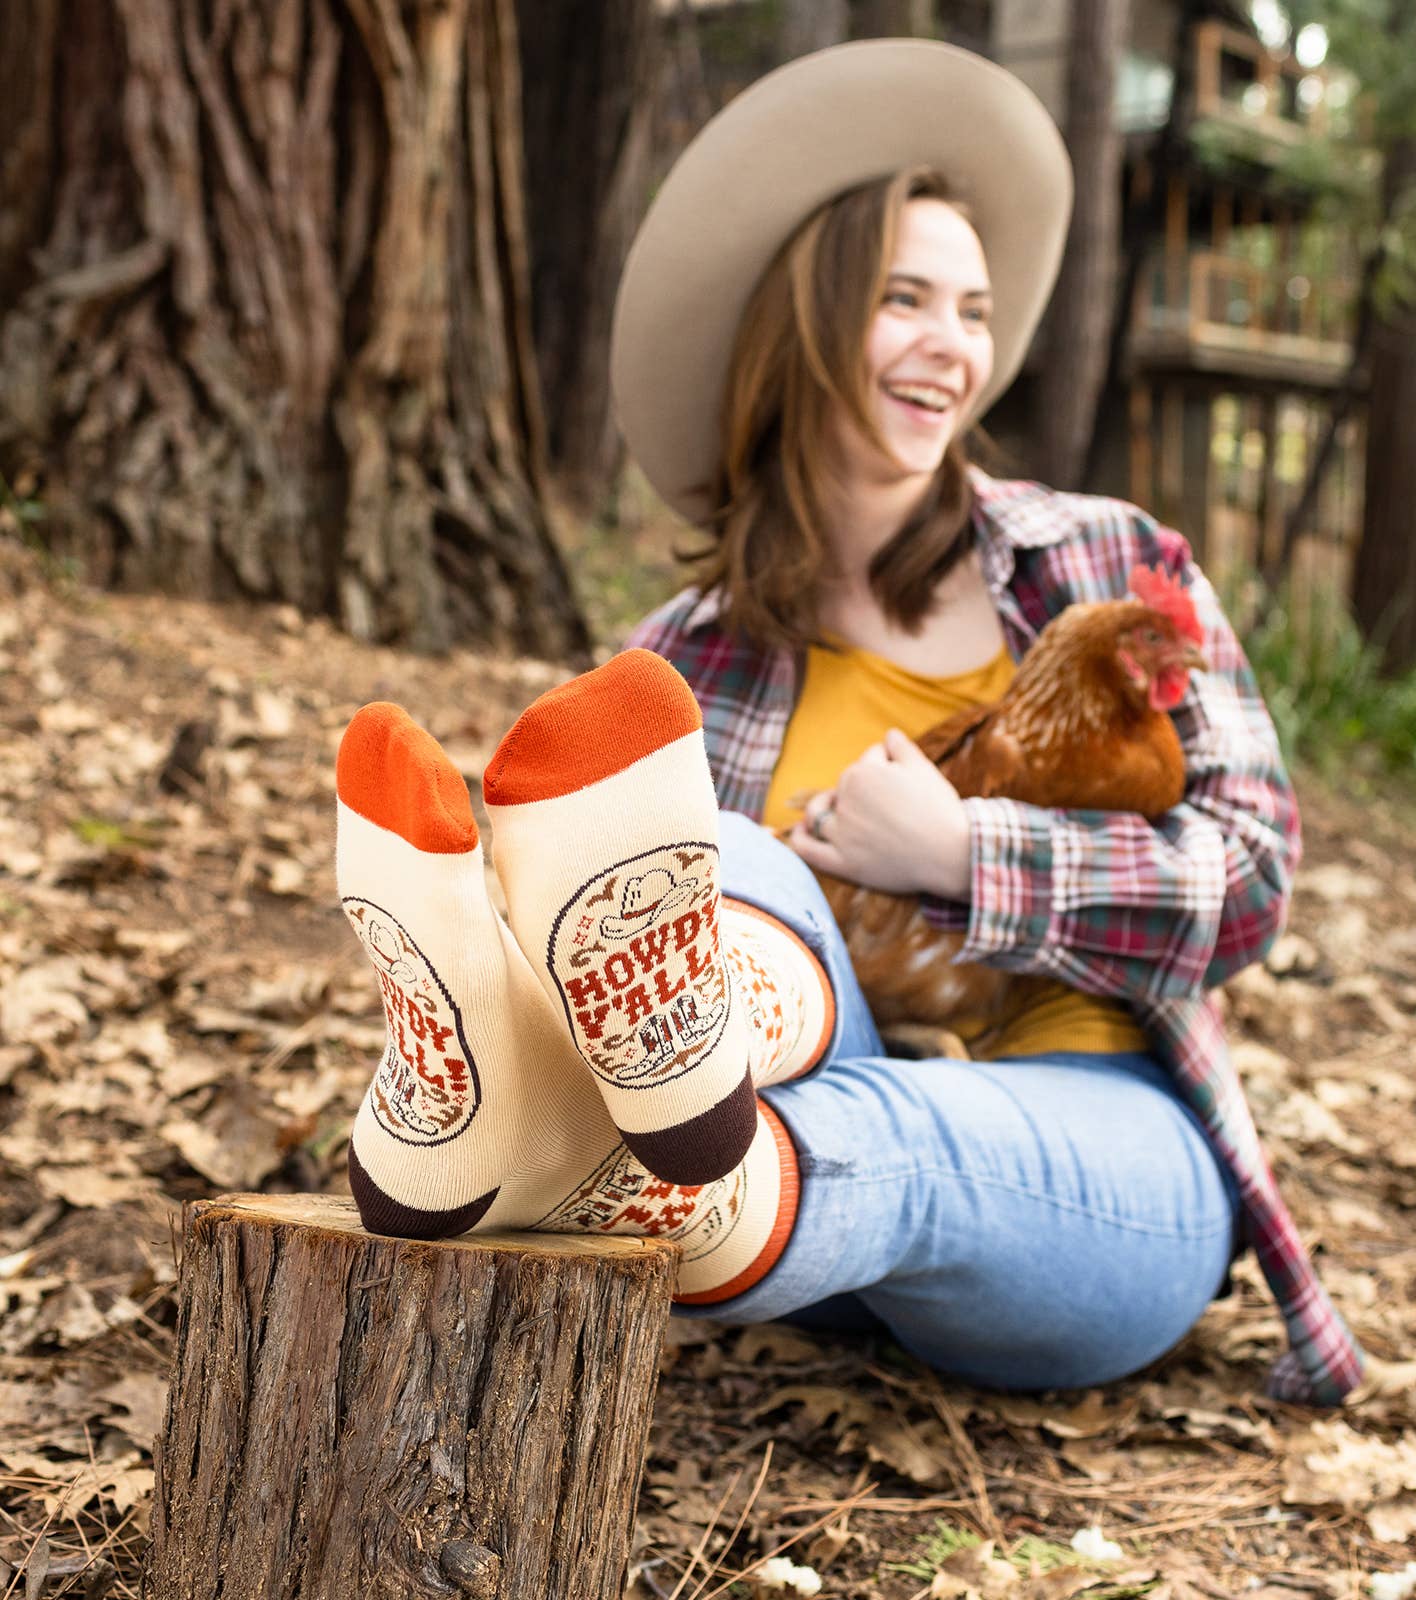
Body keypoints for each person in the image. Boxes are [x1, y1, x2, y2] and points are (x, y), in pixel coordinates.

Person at [335, 40, 1362, 1404]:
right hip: (803, 1196)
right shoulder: (675, 667)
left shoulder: (1107, 564)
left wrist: (960, 854)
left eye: (976, 312)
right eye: (904, 300)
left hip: (1103, 1170)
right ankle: (569, 1109)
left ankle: (504, 1138)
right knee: (715, 854)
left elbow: (1251, 882)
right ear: (804, 320)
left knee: (893, 1126)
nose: (956, 347)